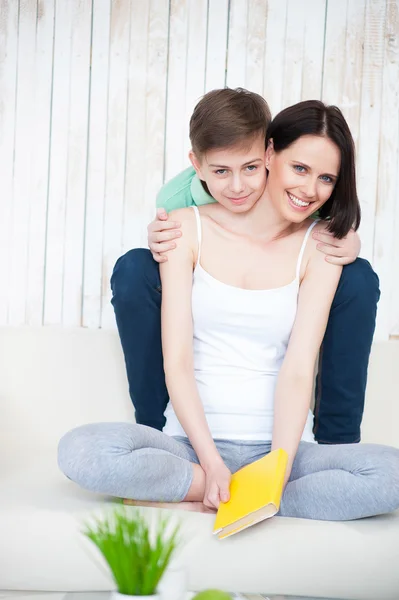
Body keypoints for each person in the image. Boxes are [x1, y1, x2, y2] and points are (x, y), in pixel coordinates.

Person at [58, 96, 399, 521]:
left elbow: (297, 371)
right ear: (271, 154)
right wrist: (211, 465)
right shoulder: (184, 224)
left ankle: (241, 495)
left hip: (279, 450)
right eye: (300, 169)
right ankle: (217, 489)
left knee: (392, 475)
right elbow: (177, 361)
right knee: (80, 450)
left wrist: (277, 468)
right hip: (190, 447)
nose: (310, 189)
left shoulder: (321, 245)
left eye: (326, 178)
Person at [110, 89, 380, 445]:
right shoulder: (180, 204)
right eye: (222, 171)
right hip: (195, 268)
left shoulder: (305, 203)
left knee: (358, 276)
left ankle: (337, 444)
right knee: (133, 268)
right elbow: (183, 211)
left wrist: (349, 239)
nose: (237, 186)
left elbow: (317, 207)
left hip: (295, 273)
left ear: (264, 155)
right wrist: (159, 234)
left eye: (250, 168)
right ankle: (154, 431)